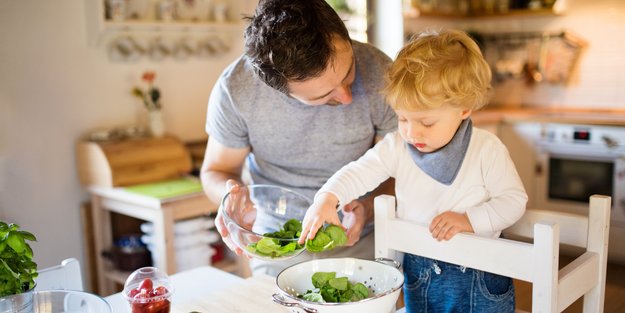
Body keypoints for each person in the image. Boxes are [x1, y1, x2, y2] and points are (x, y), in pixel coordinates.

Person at [299, 29, 528, 312]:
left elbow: (514, 201)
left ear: (464, 109)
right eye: (402, 118)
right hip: (419, 271)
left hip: (478, 274)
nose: (410, 131)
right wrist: (328, 197)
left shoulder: (486, 149)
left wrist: (470, 220)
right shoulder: (397, 146)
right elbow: (360, 171)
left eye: (426, 122)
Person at [200, 0, 397, 276]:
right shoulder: (237, 89)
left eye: (349, 72)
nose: (346, 97)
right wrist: (229, 197)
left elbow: (401, 169)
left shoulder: (382, 74)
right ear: (278, 90)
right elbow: (216, 171)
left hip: (364, 242)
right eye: (323, 96)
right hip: (278, 246)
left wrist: (367, 207)